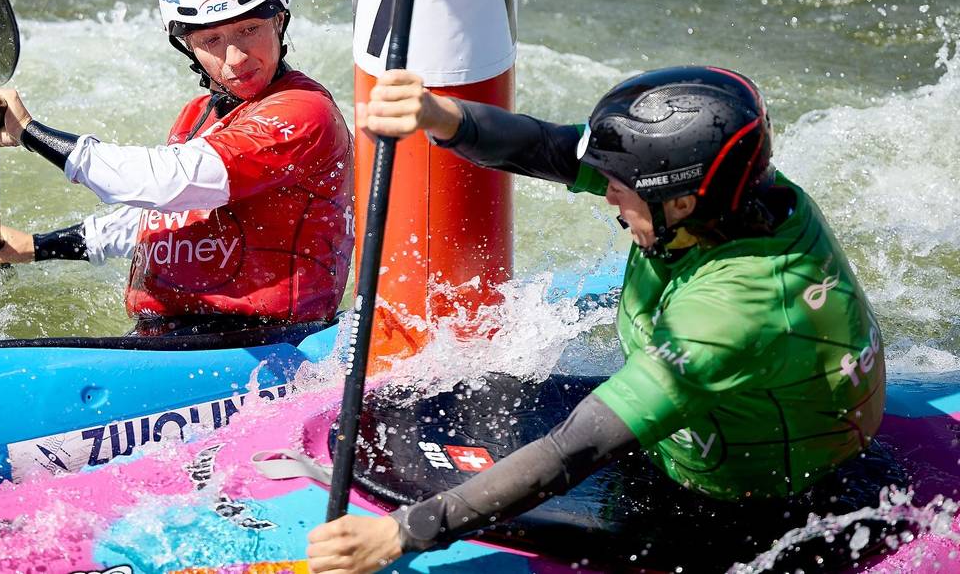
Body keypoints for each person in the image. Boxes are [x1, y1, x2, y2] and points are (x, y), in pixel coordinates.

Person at [306, 66, 888, 572]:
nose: (607, 196)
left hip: (750, 511)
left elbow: (577, 447)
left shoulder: (734, 312)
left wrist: (403, 533)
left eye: (619, 186)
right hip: (713, 436)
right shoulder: (731, 194)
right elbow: (553, 148)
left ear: (681, 202)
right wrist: (442, 115)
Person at [0, 0, 354, 335]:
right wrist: (37, 246)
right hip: (170, 342)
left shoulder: (305, 113)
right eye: (210, 40)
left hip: (267, 344)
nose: (235, 57)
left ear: (279, 19)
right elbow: (163, 217)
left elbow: (168, 180)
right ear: (186, 45)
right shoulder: (199, 114)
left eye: (249, 29)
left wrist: (31, 132)